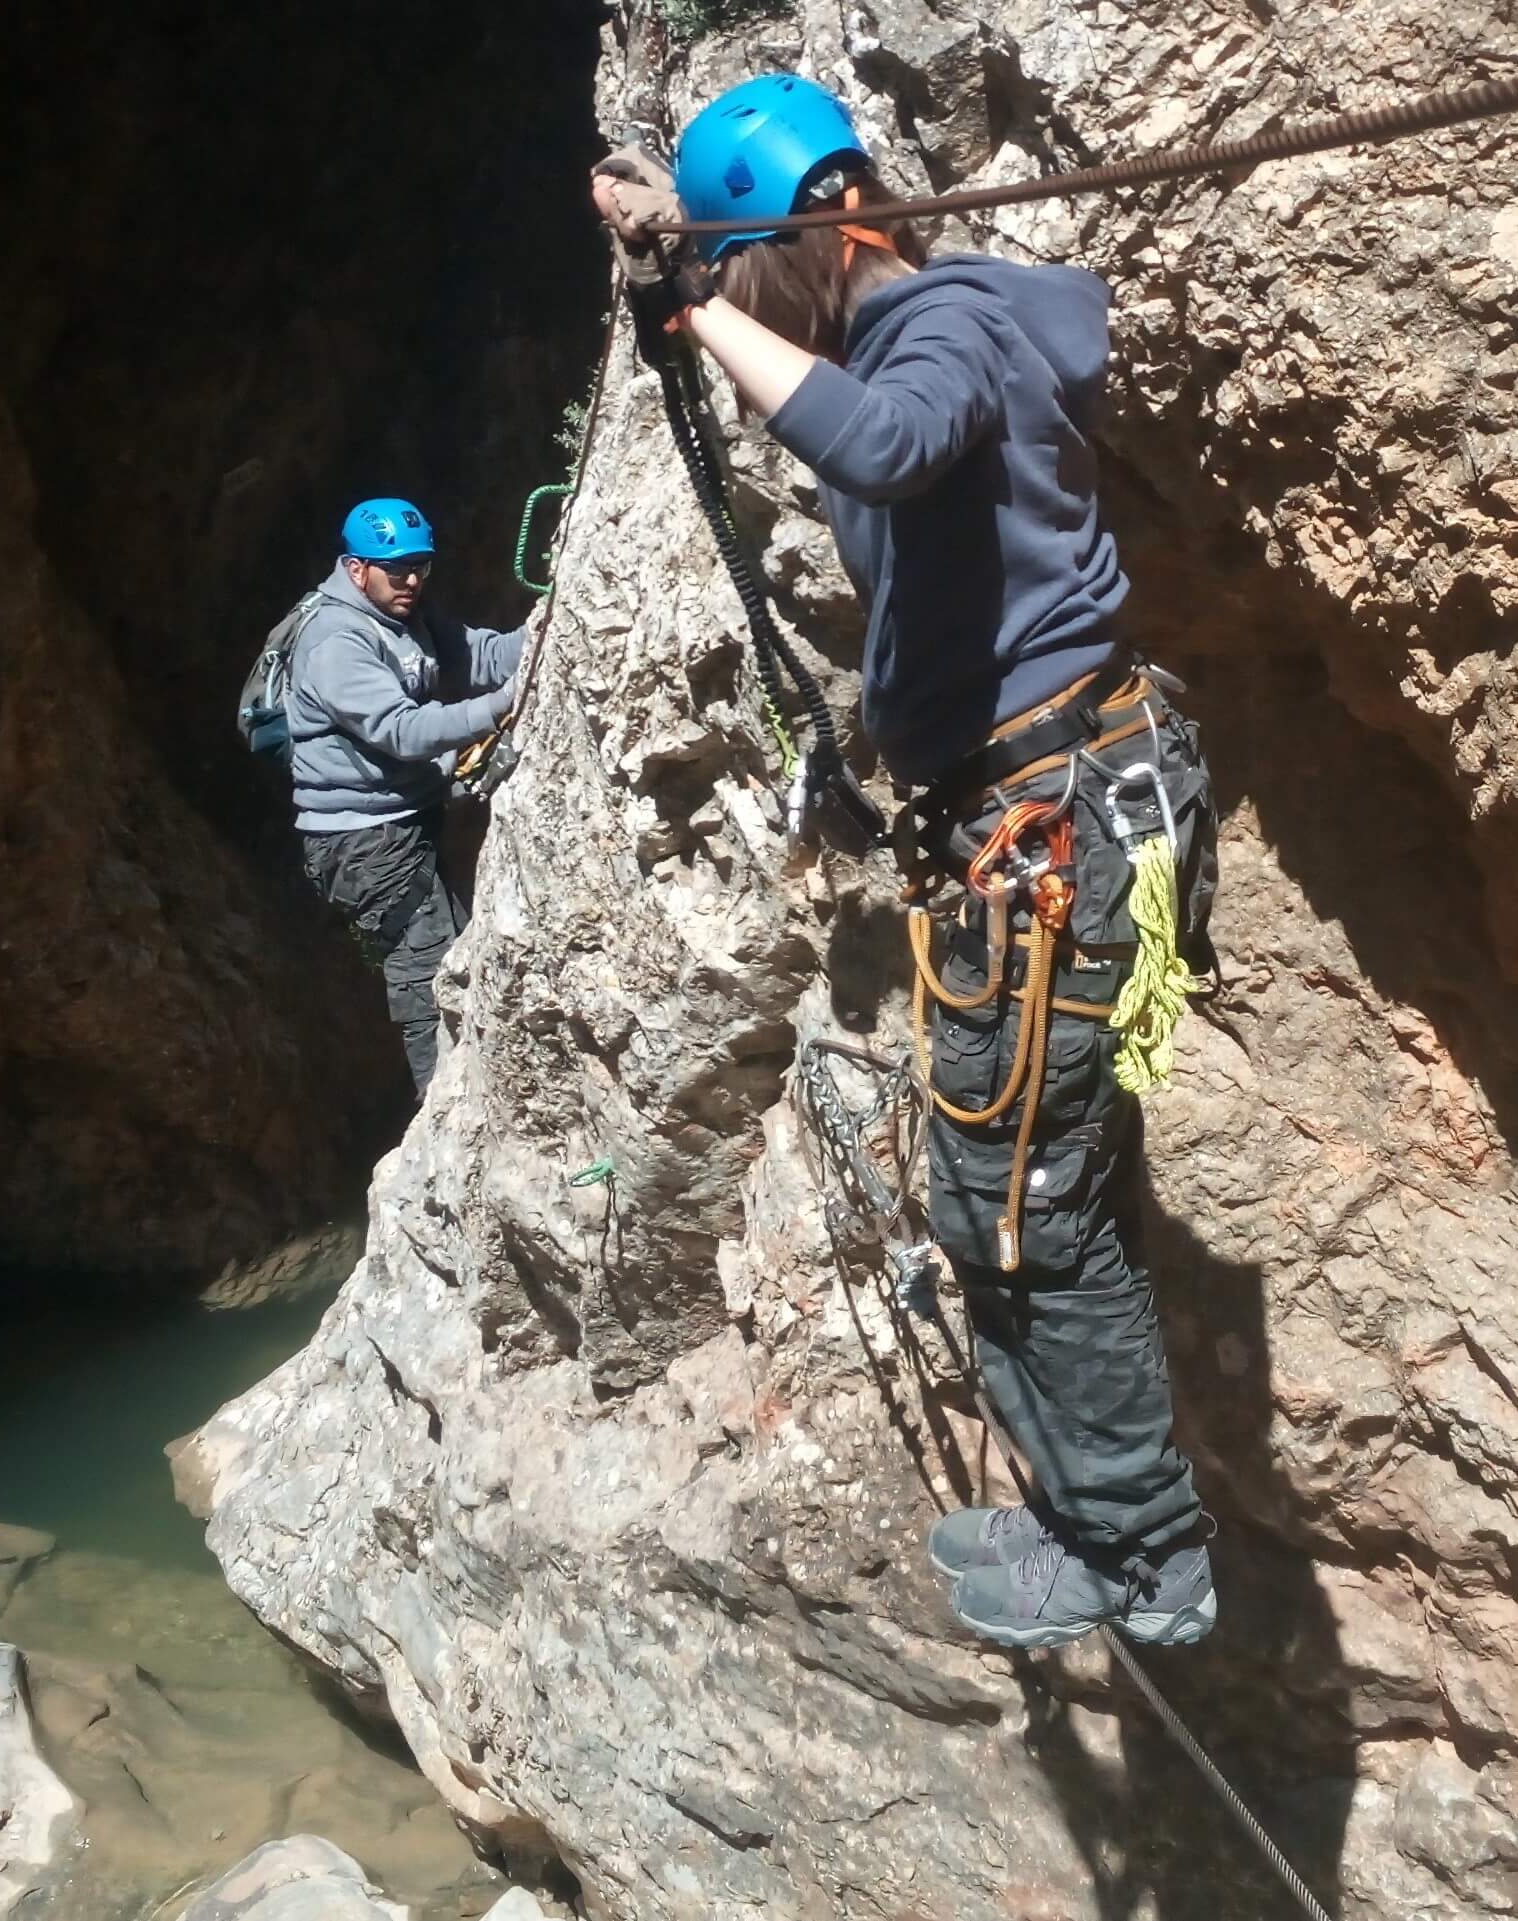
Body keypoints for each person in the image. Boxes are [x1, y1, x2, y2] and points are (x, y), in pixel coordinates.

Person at [593, 75, 1220, 1650]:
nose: (745, 320)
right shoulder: (932, 319)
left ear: (792, 244)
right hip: (1052, 804)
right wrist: (673, 236)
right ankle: (1093, 1507)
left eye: (742, 279)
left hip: (1052, 813)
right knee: (1006, 1185)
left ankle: (1141, 1556)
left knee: (1015, 1201)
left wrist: (698, 306)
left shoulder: (935, 327)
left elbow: (882, 443)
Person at [287, 497, 524, 1096]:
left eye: (422, 567)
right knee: (429, 976)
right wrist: (500, 706)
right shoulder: (335, 641)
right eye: (397, 570)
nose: (413, 582)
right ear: (356, 568)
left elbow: (482, 655)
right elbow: (403, 731)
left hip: (402, 816)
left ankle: (466, 1096)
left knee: (458, 960)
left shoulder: (405, 615)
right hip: (361, 842)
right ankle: (443, 1108)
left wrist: (553, 623)